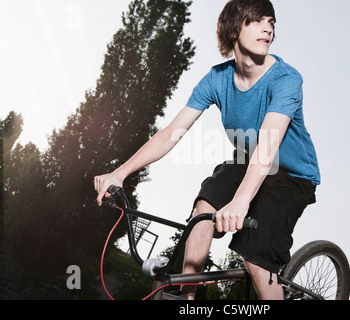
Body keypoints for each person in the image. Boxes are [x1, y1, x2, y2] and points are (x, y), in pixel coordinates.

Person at [94, 0, 320, 300]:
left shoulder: (286, 80)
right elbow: (170, 134)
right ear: (233, 28)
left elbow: (268, 145)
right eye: (257, 21)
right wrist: (120, 173)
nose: (268, 28)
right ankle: (188, 299)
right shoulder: (217, 79)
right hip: (250, 163)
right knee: (204, 208)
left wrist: (240, 202)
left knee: (254, 253)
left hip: (293, 175)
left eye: (272, 22)